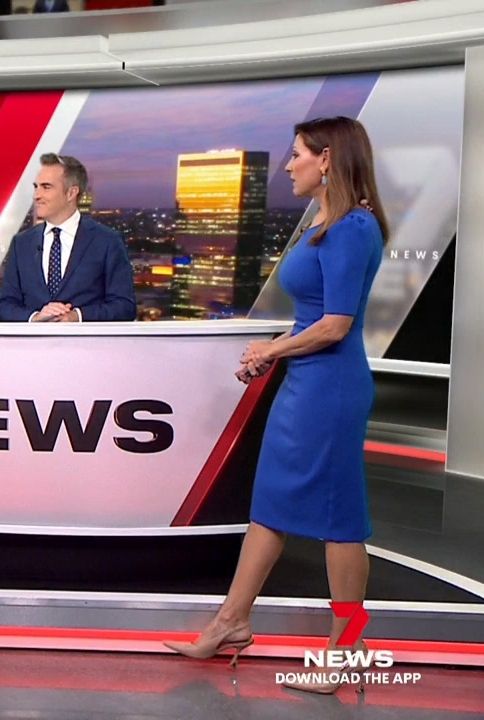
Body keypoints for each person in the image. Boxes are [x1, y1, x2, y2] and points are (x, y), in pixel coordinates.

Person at [164, 116, 389, 694]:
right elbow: (312, 317)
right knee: (269, 505)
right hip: (304, 385)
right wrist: (273, 354)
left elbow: (336, 325)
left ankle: (347, 648)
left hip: (331, 390)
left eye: (296, 154)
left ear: (326, 159)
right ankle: (231, 621)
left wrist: (273, 348)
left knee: (340, 522)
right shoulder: (324, 221)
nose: (288, 165)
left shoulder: (353, 227)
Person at [0, 153, 136, 322]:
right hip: (35, 339)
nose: (36, 195)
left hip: (84, 339)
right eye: (36, 187)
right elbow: (5, 304)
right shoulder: (21, 243)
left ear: (71, 193)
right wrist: (35, 317)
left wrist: (77, 316)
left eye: (46, 187)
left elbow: (124, 306)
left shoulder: (107, 241)